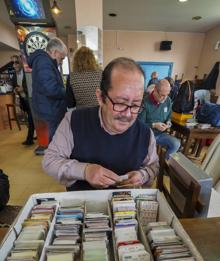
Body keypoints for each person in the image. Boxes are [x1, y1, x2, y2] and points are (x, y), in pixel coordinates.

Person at [42, 57, 159, 191]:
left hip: (125, 206)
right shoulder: (73, 120)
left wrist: (143, 175)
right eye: (120, 103)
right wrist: (84, 171)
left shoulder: (145, 133)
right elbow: (49, 161)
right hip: (82, 204)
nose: (127, 115)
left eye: (135, 105)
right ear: (100, 97)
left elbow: (153, 166)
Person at [28, 37, 68, 143]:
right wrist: (68, 92)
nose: (61, 62)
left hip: (48, 109)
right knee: (54, 145)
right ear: (55, 52)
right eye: (62, 58)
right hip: (50, 111)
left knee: (54, 143)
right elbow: (51, 89)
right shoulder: (44, 62)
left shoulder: (43, 61)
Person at [139, 79, 180, 160]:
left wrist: (168, 123)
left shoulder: (167, 100)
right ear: (155, 91)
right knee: (148, 152)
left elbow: (169, 116)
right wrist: (154, 125)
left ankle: (164, 166)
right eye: (162, 95)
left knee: (176, 144)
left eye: (167, 94)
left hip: (160, 134)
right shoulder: (145, 102)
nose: (165, 98)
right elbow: (140, 124)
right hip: (146, 134)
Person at [12, 56, 35, 145]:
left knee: (31, 118)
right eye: (13, 63)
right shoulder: (14, 75)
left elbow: (32, 84)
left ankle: (29, 139)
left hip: (31, 99)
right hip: (23, 100)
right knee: (32, 118)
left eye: (16, 62)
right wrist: (15, 90)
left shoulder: (27, 72)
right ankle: (35, 135)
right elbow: (14, 86)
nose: (14, 65)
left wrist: (24, 89)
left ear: (21, 62)